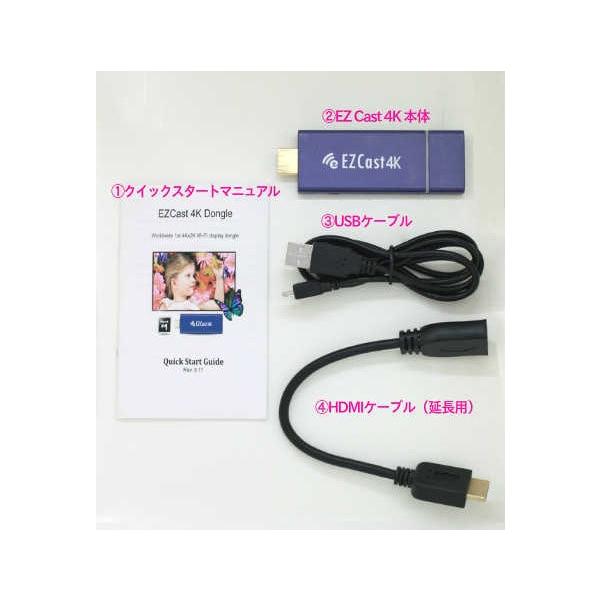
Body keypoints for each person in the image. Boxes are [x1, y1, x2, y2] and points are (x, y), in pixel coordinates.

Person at [159, 253, 224, 310]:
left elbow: (219, 305)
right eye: (188, 275)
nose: (193, 280)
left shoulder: (194, 305)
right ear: (174, 282)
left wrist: (219, 277)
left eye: (193, 276)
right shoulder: (166, 304)